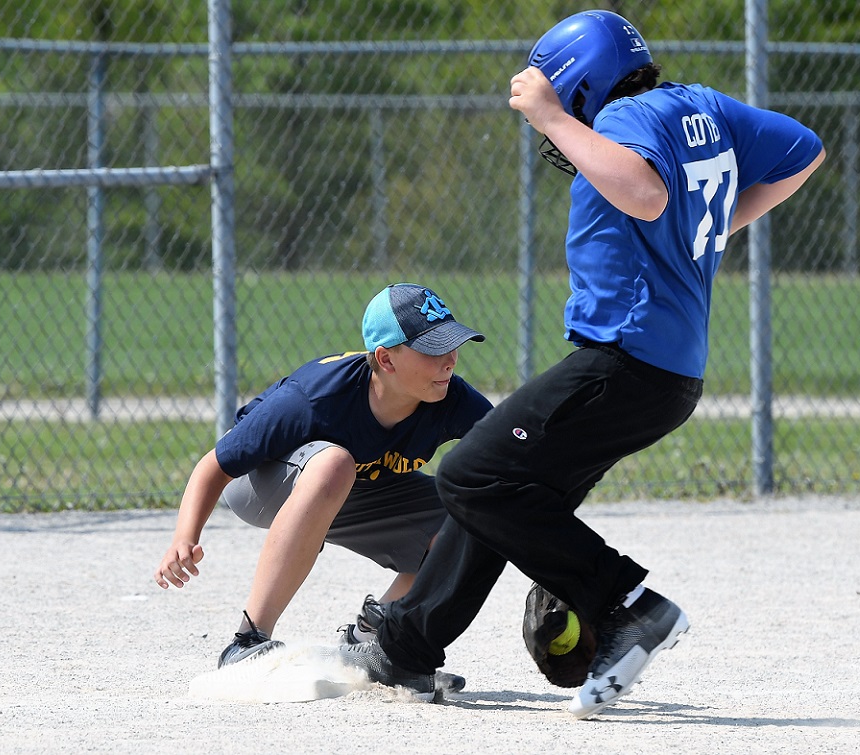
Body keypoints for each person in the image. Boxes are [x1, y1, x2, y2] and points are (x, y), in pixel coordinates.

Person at [341, 9, 826, 717]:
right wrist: (712, 225)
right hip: (662, 372)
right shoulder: (699, 106)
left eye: (563, 102)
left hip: (623, 362)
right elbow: (804, 151)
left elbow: (646, 191)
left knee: (472, 474)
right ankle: (407, 646)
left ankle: (628, 605)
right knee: (505, 493)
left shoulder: (622, 118)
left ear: (581, 88)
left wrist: (553, 118)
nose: (558, 124)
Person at [153, 282, 492, 683]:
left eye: (452, 344)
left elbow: (511, 463)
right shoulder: (314, 397)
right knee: (335, 463)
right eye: (432, 349)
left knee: (472, 518)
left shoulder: (452, 397)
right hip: (261, 483)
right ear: (386, 359)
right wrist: (183, 536)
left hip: (354, 484)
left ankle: (378, 638)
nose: (450, 359)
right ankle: (247, 642)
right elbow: (215, 465)